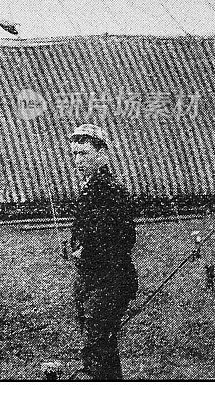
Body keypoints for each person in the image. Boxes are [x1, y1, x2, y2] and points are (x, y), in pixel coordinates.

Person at [68, 124, 138, 380]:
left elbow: (125, 237)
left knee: (96, 345)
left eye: (84, 154)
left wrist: (87, 251)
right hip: (89, 280)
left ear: (103, 154)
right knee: (101, 346)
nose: (78, 161)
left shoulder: (112, 190)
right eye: (74, 154)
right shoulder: (88, 187)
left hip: (109, 281)